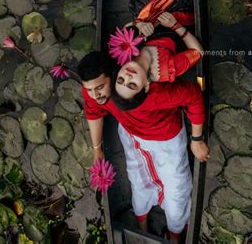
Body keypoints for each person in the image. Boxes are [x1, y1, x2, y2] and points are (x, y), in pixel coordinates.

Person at [77, 51, 209, 244]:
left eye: (99, 88)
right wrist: (97, 149)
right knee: (138, 179)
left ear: (113, 77)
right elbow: (93, 112)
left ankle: (175, 233)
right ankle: (142, 224)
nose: (95, 95)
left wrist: (196, 139)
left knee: (176, 188)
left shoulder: (152, 95)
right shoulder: (94, 91)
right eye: (88, 89)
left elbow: (194, 96)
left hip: (166, 137)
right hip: (131, 135)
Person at [112, 11, 203, 103]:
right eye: (132, 85)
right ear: (146, 86)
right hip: (180, 18)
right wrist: (175, 25)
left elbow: (126, 28)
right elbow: (198, 52)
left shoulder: (122, 53)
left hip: (154, 9)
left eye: (120, 79)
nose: (127, 76)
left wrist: (138, 25)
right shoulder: (167, 68)